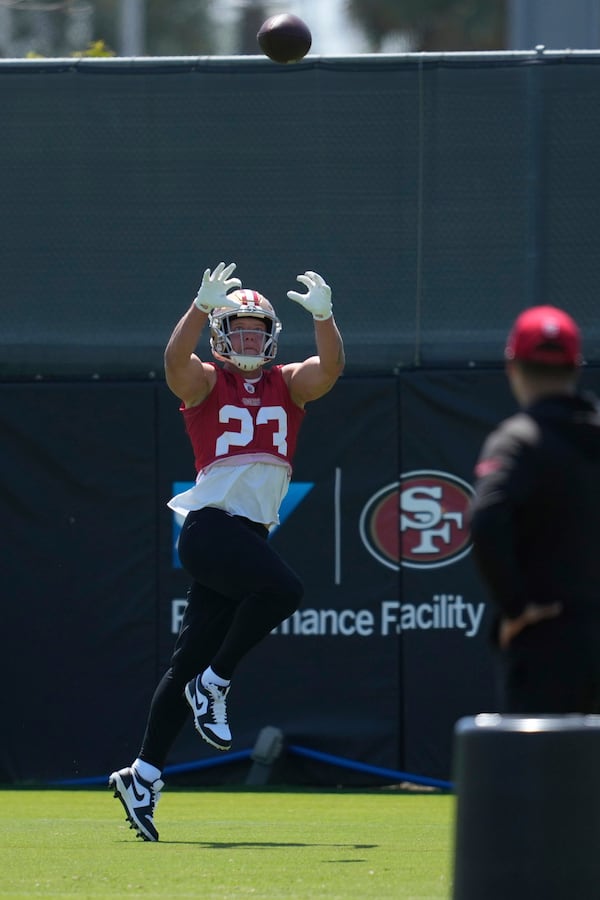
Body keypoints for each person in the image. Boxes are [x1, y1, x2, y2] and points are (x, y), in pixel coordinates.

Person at [109, 261, 344, 841]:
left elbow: (330, 370)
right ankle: (216, 683)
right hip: (213, 529)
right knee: (283, 590)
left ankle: (142, 774)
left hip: (245, 537)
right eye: (236, 329)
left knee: (184, 662)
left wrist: (325, 318)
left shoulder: (287, 382)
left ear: (269, 336)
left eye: (255, 330)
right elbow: (172, 364)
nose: (246, 339)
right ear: (219, 333)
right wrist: (195, 307)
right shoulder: (206, 381)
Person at [469, 304, 600, 714]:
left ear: (513, 366)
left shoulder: (518, 441)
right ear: (576, 366)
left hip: (548, 640)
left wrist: (516, 607)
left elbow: (486, 519)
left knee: (546, 775)